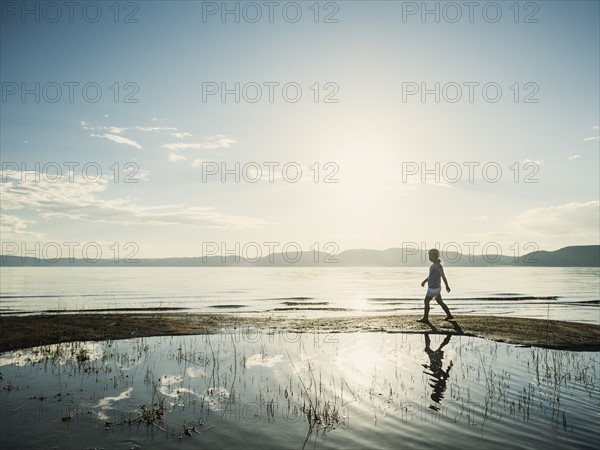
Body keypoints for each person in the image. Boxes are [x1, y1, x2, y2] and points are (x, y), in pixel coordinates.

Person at [418, 248, 453, 322]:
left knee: (426, 301)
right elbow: (430, 276)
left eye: (431, 255)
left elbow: (443, 276)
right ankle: (449, 315)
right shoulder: (433, 265)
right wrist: (425, 281)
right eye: (429, 255)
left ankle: (425, 318)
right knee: (440, 302)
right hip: (436, 287)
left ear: (436, 256)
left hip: (433, 288)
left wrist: (447, 286)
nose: (429, 257)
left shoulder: (438, 266)